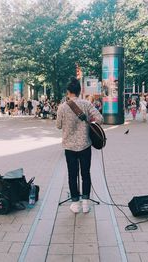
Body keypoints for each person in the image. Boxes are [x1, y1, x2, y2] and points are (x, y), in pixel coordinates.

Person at [56, 77, 103, 214]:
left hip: (69, 146)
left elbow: (58, 126)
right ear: (79, 90)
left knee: (72, 174)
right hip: (85, 144)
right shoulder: (86, 104)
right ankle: (86, 204)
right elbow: (100, 118)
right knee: (85, 173)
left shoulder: (63, 107)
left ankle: (75, 204)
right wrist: (88, 121)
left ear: (68, 91)